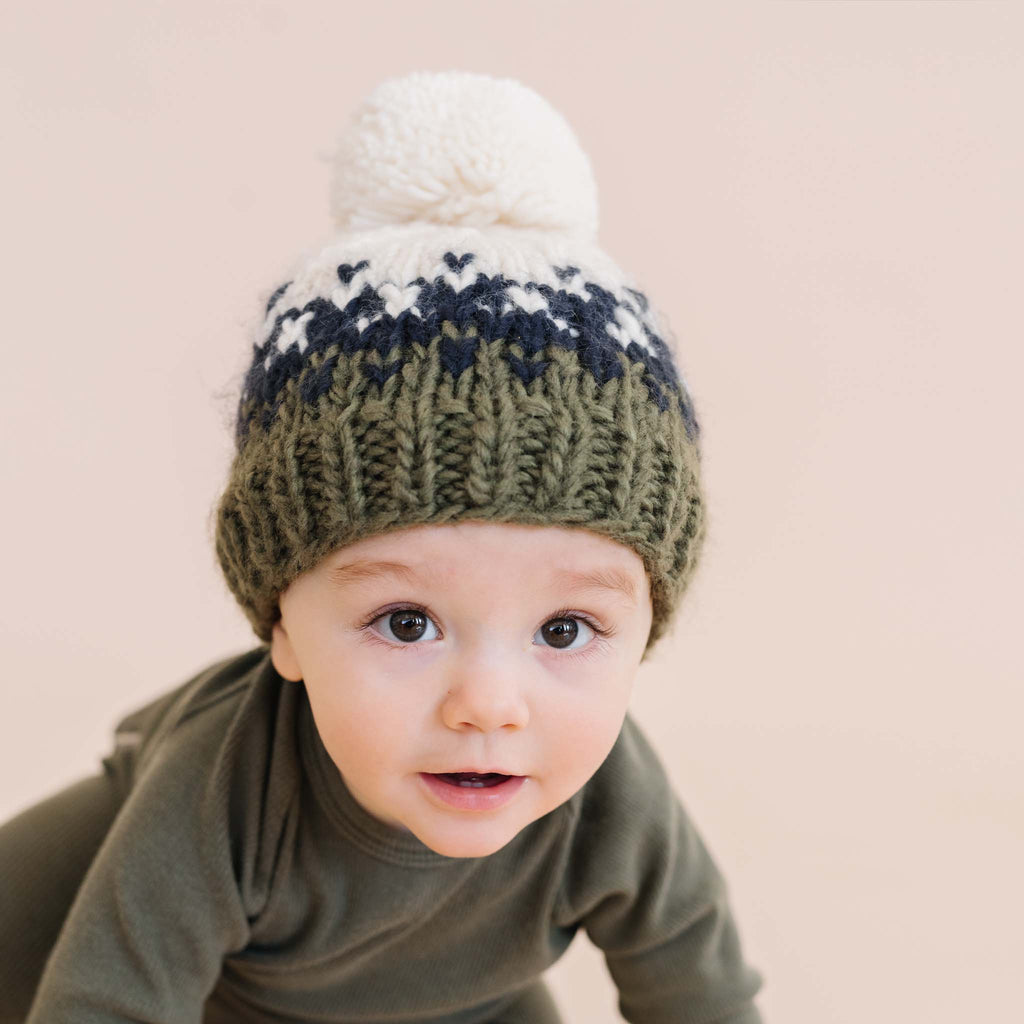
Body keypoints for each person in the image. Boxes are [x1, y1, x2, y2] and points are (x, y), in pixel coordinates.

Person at [0, 70, 765, 1023]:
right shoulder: (227, 790)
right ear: (282, 624)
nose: (488, 704)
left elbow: (698, 985)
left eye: (566, 629)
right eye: (407, 622)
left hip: (459, 1000)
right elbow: (105, 1001)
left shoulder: (610, 802)